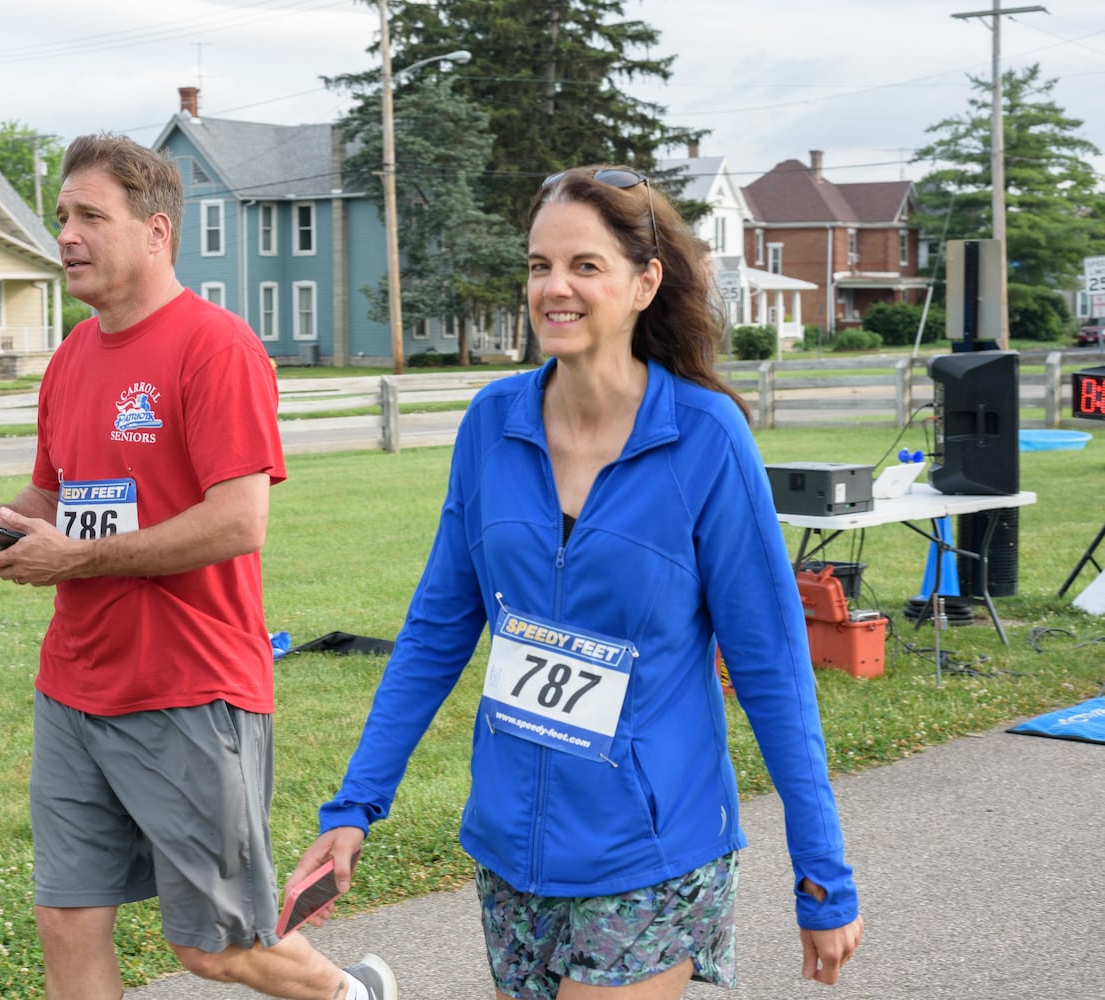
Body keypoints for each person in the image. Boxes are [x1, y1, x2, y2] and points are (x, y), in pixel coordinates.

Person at [289, 166, 863, 998]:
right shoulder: (492, 424)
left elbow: (773, 666)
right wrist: (354, 806)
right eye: (537, 265)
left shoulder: (706, 439)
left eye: (584, 266)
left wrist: (824, 873)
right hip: (511, 845)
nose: (554, 287)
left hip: (650, 848)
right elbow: (436, 631)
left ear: (644, 283)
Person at [0, 132, 396, 1000]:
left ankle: (350, 994)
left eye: (89, 218)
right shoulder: (72, 357)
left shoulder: (214, 347)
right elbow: (54, 500)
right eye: (62, 216)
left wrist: (80, 557)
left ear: (156, 232)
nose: (66, 235)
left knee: (215, 946)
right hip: (73, 686)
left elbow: (238, 522)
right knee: (66, 918)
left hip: (189, 689)